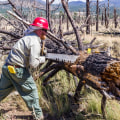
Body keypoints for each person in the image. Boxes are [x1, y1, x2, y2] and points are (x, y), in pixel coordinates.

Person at [0, 17, 49, 120]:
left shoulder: (27, 37)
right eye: (45, 30)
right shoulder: (35, 42)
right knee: (32, 91)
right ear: (39, 30)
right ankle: (38, 116)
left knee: (2, 91)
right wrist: (42, 59)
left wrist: (40, 53)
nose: (46, 33)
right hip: (18, 70)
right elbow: (33, 64)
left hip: (7, 67)